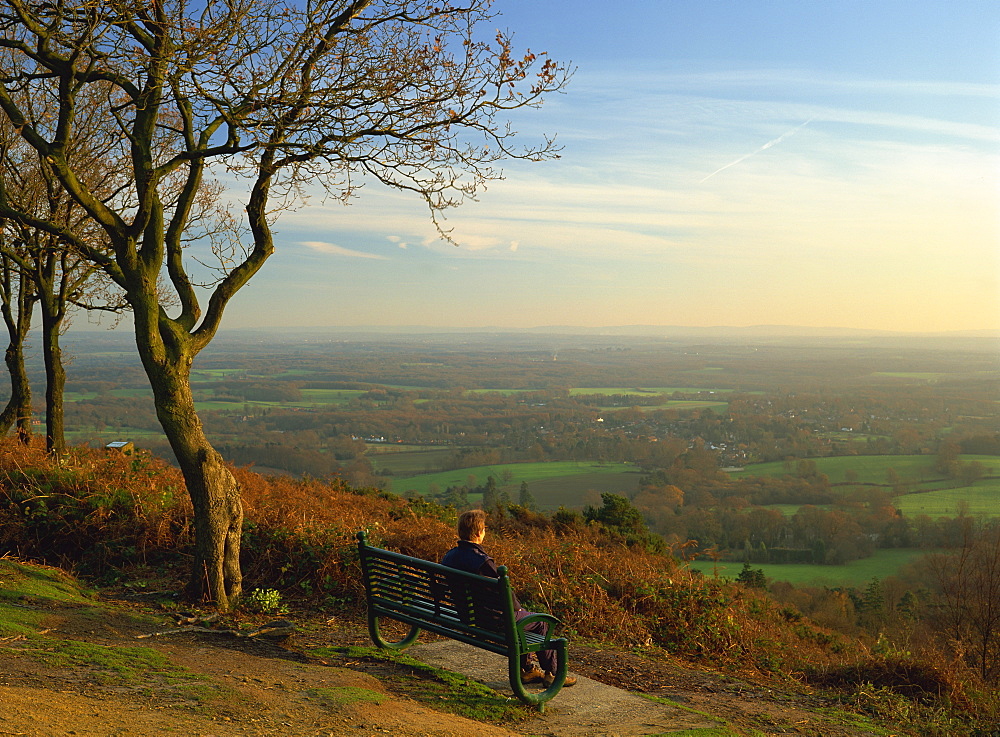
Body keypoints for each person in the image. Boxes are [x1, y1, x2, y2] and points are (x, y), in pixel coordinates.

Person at [441, 509, 575, 687]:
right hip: (491, 619)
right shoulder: (483, 562)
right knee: (540, 622)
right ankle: (553, 674)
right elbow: (505, 597)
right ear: (480, 532)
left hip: (466, 615)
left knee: (523, 618)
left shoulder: (449, 557)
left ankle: (526, 670)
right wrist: (518, 610)